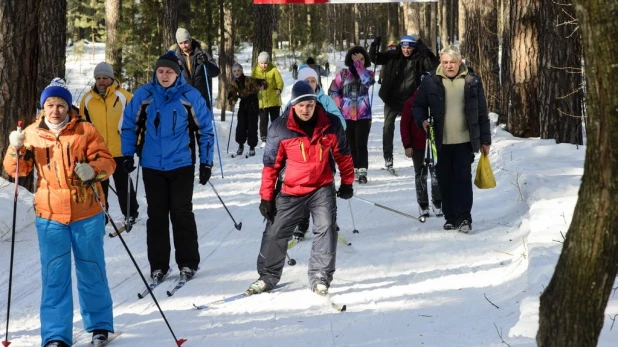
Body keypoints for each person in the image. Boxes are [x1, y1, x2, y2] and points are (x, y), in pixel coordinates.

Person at [4, 78, 116, 347]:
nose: (56, 110)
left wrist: (93, 170)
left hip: (87, 212)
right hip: (49, 215)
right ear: (44, 108)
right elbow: (16, 171)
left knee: (92, 269)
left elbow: (107, 161)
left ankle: (99, 325)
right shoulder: (31, 134)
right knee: (54, 275)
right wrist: (14, 148)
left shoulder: (85, 130)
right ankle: (56, 335)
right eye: (51, 105)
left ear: (69, 107)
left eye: (61, 105)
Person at [249, 81, 354, 296]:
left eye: (310, 105)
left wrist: (347, 182)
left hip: (321, 187)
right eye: (301, 106)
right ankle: (267, 276)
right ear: (293, 106)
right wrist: (266, 197)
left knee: (326, 228)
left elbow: (343, 156)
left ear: (315, 103)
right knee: (276, 231)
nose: (306, 110)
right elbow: (271, 165)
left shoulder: (330, 124)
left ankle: (320, 277)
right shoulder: (280, 128)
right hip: (291, 188)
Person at [121, 51, 214, 282]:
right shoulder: (145, 94)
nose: (164, 75)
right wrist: (127, 154)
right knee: (157, 216)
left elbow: (205, 130)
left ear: (177, 73)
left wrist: (206, 162)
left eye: (169, 71)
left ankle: (188, 262)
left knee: (181, 213)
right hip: (152, 165)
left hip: (181, 164)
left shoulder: (189, 95)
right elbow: (129, 124)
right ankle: (159, 265)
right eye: (161, 71)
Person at [413, 45, 491, 233]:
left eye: (453, 62)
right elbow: (418, 106)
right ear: (441, 62)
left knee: (462, 178)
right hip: (440, 141)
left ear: (460, 61)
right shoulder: (430, 81)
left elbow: (482, 112)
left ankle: (464, 217)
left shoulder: (472, 81)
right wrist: (422, 121)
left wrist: (485, 140)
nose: (449, 66)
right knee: (444, 180)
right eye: (445, 62)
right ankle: (449, 217)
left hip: (465, 140)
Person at [281, 65, 346, 241]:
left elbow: (340, 121)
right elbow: (283, 126)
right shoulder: (293, 103)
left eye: (313, 81)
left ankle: (329, 221)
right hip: (300, 155)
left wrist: (327, 125)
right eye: (306, 81)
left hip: (323, 152)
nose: (310, 84)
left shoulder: (325, 100)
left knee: (326, 188)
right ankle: (302, 225)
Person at [79, 62, 139, 227]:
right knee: (100, 185)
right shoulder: (87, 99)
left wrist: (137, 144)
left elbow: (135, 123)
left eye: (105, 77)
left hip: (120, 150)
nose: (101, 81)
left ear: (112, 78)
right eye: (98, 78)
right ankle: (101, 214)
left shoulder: (125, 97)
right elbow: (84, 126)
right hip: (98, 152)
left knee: (123, 184)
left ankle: (130, 213)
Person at [370, 34, 438, 171]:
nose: (406, 50)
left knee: (416, 126)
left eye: (409, 48)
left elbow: (434, 67)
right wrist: (374, 45)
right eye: (403, 47)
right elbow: (375, 58)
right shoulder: (393, 56)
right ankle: (388, 157)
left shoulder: (420, 58)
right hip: (392, 98)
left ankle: (418, 154)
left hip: (412, 99)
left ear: (414, 48)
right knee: (388, 127)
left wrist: (427, 52)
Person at [173, 27, 220, 165]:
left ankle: (206, 163)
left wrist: (206, 62)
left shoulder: (202, 53)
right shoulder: (174, 57)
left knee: (204, 135)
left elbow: (215, 72)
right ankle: (190, 164)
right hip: (183, 103)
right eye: (181, 43)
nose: (184, 46)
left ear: (191, 39)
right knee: (186, 136)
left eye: (186, 42)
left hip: (201, 101)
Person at [329, 46, 375, 185]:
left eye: (361, 59)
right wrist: (340, 103)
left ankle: (362, 171)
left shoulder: (368, 73)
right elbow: (333, 91)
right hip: (347, 116)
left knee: (361, 144)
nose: (358, 61)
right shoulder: (343, 74)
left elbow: (368, 82)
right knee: (350, 144)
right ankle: (354, 169)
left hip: (363, 116)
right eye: (355, 59)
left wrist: (359, 67)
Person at [400, 90, 442, 217]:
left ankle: (438, 202)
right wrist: (407, 145)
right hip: (418, 147)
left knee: (436, 174)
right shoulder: (411, 103)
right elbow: (404, 124)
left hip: (435, 145)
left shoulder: (437, 100)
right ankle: (423, 205)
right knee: (421, 175)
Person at [227, 62, 267, 157]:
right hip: (243, 103)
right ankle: (241, 145)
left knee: (252, 125)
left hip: (253, 102)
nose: (236, 73)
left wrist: (262, 85)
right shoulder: (234, 82)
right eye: (234, 71)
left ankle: (252, 146)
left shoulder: (249, 79)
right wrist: (232, 100)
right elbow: (232, 93)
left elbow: (263, 83)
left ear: (242, 71)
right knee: (241, 125)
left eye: (238, 70)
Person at [251, 51, 284, 148]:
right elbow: (251, 84)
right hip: (262, 102)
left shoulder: (273, 70)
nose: (264, 65)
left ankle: (276, 136)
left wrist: (279, 89)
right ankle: (264, 138)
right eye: (261, 63)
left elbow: (280, 81)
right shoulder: (255, 71)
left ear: (268, 62)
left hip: (274, 100)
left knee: (275, 120)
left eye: (265, 63)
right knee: (263, 121)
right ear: (258, 62)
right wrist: (255, 90)